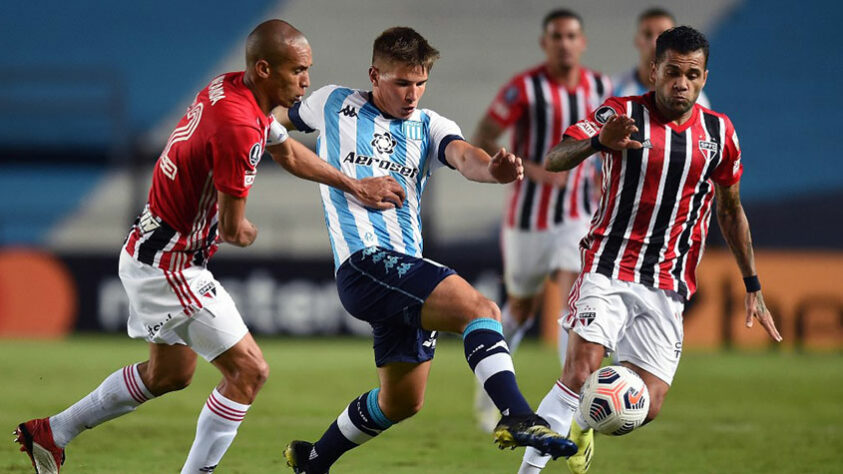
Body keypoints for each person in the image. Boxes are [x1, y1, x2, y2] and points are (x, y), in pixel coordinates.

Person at [14, 19, 405, 474]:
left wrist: (353, 184)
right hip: (171, 265)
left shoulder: (232, 89)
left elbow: (287, 151)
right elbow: (234, 229)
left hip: (149, 247)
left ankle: (51, 432)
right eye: (297, 70)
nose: (306, 81)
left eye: (308, 69)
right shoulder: (238, 128)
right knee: (250, 372)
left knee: (169, 375)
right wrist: (250, 232)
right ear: (263, 69)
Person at [275, 26, 578, 473]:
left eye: (420, 83)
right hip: (364, 262)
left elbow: (464, 156)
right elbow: (272, 120)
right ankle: (516, 415)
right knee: (482, 309)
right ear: (375, 75)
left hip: (404, 271)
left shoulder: (429, 125)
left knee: (401, 401)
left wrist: (494, 170)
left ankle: (312, 458)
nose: (412, 94)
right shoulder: (333, 102)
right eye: (401, 82)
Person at [518, 26, 782, 474]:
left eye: (692, 74)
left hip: (669, 281)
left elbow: (731, 211)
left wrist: (752, 283)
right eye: (673, 71)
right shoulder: (621, 113)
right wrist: (599, 142)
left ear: (704, 77)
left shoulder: (719, 134)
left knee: (648, 404)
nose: (682, 83)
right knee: (580, 371)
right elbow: (555, 156)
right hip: (609, 263)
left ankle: (583, 421)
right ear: (655, 69)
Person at [471, 8, 611, 432]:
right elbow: (484, 135)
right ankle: (487, 392)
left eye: (571, 36)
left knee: (575, 302)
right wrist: (530, 169)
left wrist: (604, 183)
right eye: (557, 36)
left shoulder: (601, 86)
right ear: (544, 43)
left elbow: (608, 142)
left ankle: (573, 406)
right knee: (521, 307)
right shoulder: (524, 89)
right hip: (527, 221)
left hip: (576, 219)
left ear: (582, 42)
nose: (564, 43)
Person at [613, 8, 710, 108]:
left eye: (662, 35)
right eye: (648, 34)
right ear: (637, 40)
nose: (654, 43)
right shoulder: (613, 89)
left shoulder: (696, 100)